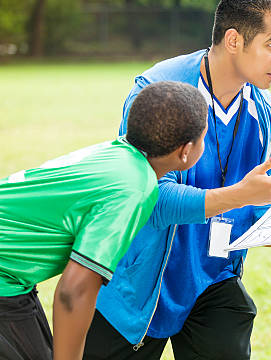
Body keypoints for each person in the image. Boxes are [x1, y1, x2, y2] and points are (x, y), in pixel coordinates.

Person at [82, 0, 271, 359]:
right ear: (234, 40)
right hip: (139, 279)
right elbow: (149, 198)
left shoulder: (264, 108)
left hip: (213, 277)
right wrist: (242, 196)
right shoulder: (157, 91)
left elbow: (259, 196)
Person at [0, 81, 209, 360]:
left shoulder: (118, 154)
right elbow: (74, 290)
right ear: (185, 150)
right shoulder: (134, 188)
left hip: (14, 283)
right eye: (203, 137)